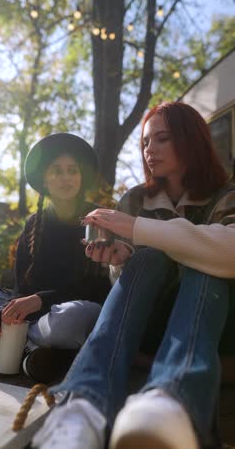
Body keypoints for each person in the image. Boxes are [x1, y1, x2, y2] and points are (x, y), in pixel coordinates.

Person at [31, 102, 235, 449]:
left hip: (210, 326)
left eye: (162, 138)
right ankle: (82, 406)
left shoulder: (225, 194)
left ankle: (172, 402)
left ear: (191, 139)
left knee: (205, 264)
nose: (149, 149)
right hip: (147, 326)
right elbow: (122, 286)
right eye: (144, 142)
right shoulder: (136, 199)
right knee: (146, 260)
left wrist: (138, 228)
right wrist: (120, 260)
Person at [0, 133, 111, 383]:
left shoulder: (97, 220)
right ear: (45, 179)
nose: (65, 178)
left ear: (81, 176)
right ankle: (34, 351)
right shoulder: (34, 224)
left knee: (71, 319)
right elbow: (20, 289)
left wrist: (40, 300)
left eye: (72, 170)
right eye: (56, 171)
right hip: (37, 317)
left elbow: (98, 289)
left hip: (68, 313)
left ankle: (20, 345)